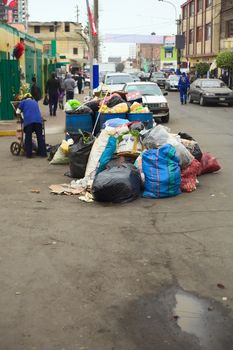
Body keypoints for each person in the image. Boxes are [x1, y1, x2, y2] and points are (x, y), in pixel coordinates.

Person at [16, 93, 47, 158]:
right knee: (40, 137)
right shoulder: (35, 102)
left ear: (24, 98)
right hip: (38, 121)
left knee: (28, 137)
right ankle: (43, 153)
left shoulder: (23, 102)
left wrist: (20, 118)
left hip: (29, 122)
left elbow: (17, 112)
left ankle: (29, 154)